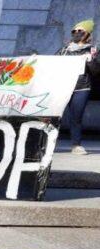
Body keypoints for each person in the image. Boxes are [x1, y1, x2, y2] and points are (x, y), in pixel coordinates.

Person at [57, 19, 99, 155]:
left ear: (88, 34)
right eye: (74, 31)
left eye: (80, 31)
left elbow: (96, 72)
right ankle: (46, 142)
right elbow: (52, 64)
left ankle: (76, 145)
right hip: (63, 86)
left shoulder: (92, 50)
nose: (77, 33)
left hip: (81, 87)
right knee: (53, 115)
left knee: (76, 116)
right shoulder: (64, 50)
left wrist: (91, 60)